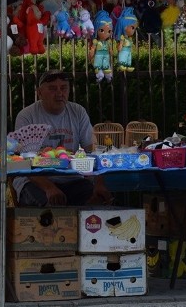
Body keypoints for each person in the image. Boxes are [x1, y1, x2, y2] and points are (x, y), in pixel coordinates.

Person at [12, 70, 113, 207]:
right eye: (53, 89)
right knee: (49, 208)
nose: (59, 93)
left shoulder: (78, 112)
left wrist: (99, 183)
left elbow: (93, 151)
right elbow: (24, 162)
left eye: (64, 88)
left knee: (99, 200)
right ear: (39, 93)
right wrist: (49, 188)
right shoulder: (27, 116)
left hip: (72, 179)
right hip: (35, 180)